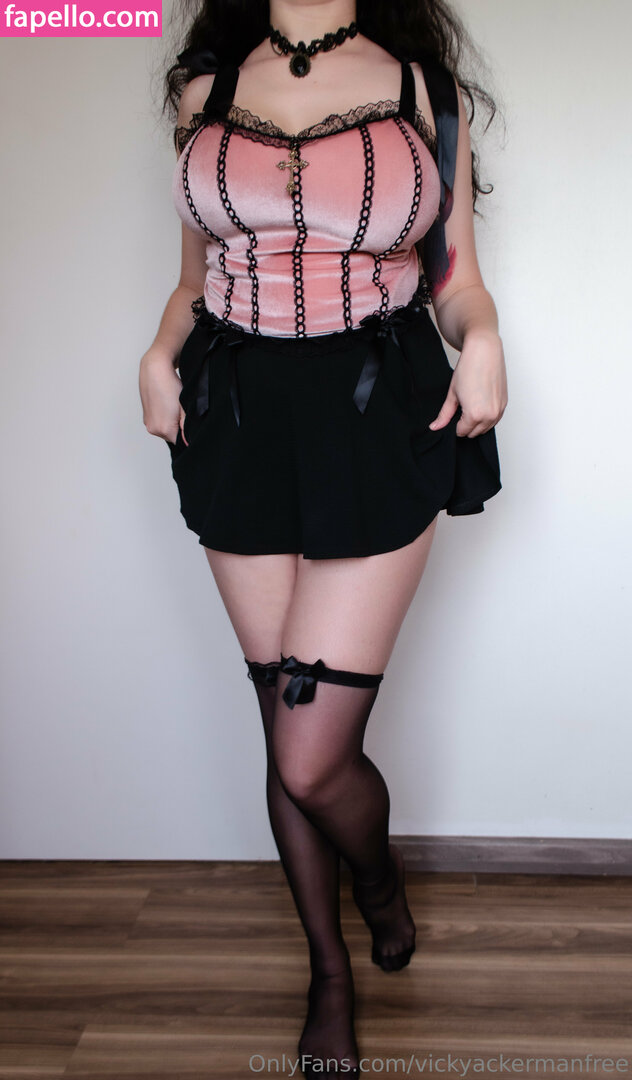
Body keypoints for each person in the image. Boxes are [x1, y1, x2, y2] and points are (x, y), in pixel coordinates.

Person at [139, 1, 508, 1075]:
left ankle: (377, 879)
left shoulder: (420, 90)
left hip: (376, 408)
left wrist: (485, 337)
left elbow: (454, 278)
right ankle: (329, 971)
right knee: (280, 720)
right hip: (237, 414)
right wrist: (157, 356)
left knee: (311, 754)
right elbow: (193, 280)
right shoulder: (203, 91)